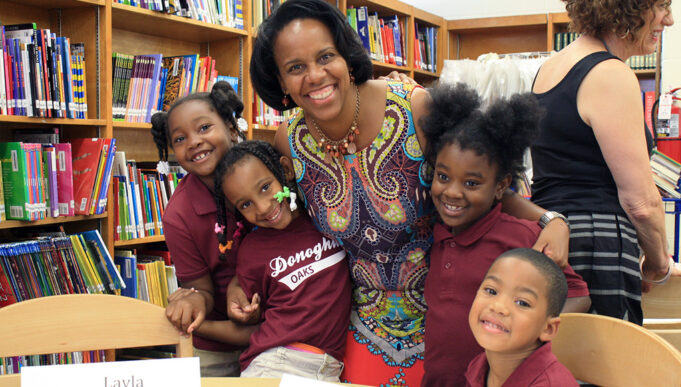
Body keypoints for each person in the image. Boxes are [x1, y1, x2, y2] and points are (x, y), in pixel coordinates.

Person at [248, 0, 571, 384]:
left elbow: (480, 184)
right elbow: (281, 224)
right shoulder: (290, 141)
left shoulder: (414, 108)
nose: (315, 75)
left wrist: (548, 219)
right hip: (356, 334)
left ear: (347, 57)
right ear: (280, 82)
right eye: (295, 68)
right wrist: (235, 283)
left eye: (325, 57)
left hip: (451, 323)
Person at [419, 83, 590, 387]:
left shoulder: (522, 237)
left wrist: (526, 332)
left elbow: (577, 295)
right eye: (443, 177)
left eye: (472, 183)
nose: (453, 192)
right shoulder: (435, 230)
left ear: (501, 186)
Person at [530, 0, 681, 325]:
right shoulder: (610, 74)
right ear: (627, 7)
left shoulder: (551, 68)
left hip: (549, 241)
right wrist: (659, 266)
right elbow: (641, 203)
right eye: (660, 6)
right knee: (606, 370)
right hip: (597, 247)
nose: (668, 20)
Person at [211, 140, 351, 381]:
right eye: (246, 204)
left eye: (265, 187)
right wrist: (242, 306)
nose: (264, 207)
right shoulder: (252, 250)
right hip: (276, 365)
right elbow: (246, 306)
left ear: (284, 171)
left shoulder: (325, 217)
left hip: (329, 370)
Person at [150, 81, 252, 376]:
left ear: (232, 129)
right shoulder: (179, 215)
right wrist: (194, 297)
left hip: (281, 325)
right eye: (180, 139)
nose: (193, 142)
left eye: (204, 128)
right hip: (218, 343)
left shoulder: (264, 174)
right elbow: (202, 289)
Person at [465, 248, 578, 387]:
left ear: (548, 329)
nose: (498, 306)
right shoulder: (479, 367)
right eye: (491, 291)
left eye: (522, 303)